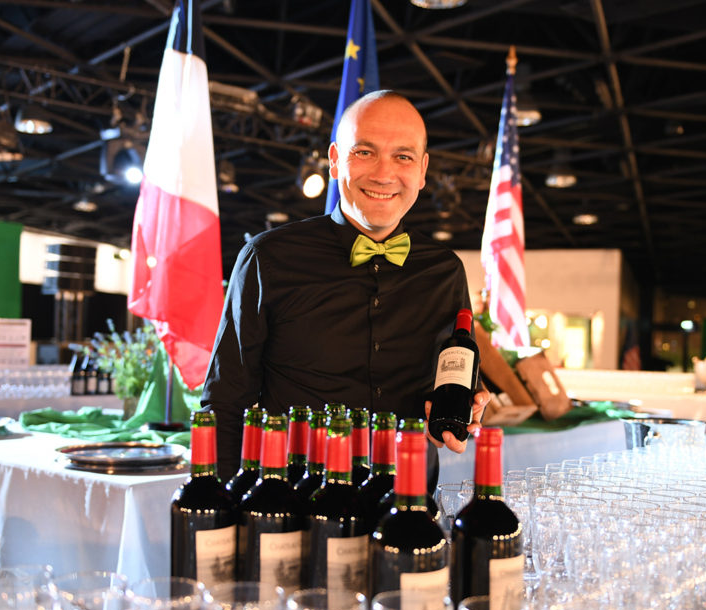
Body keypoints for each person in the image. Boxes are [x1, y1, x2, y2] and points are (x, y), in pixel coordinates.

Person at [200, 90, 489, 483]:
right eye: (365, 152)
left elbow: (452, 373)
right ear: (335, 160)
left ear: (422, 170)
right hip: (293, 499)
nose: (384, 174)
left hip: (407, 497)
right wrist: (223, 502)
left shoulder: (445, 271)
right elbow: (225, 403)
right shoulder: (267, 258)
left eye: (403, 156)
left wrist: (469, 401)